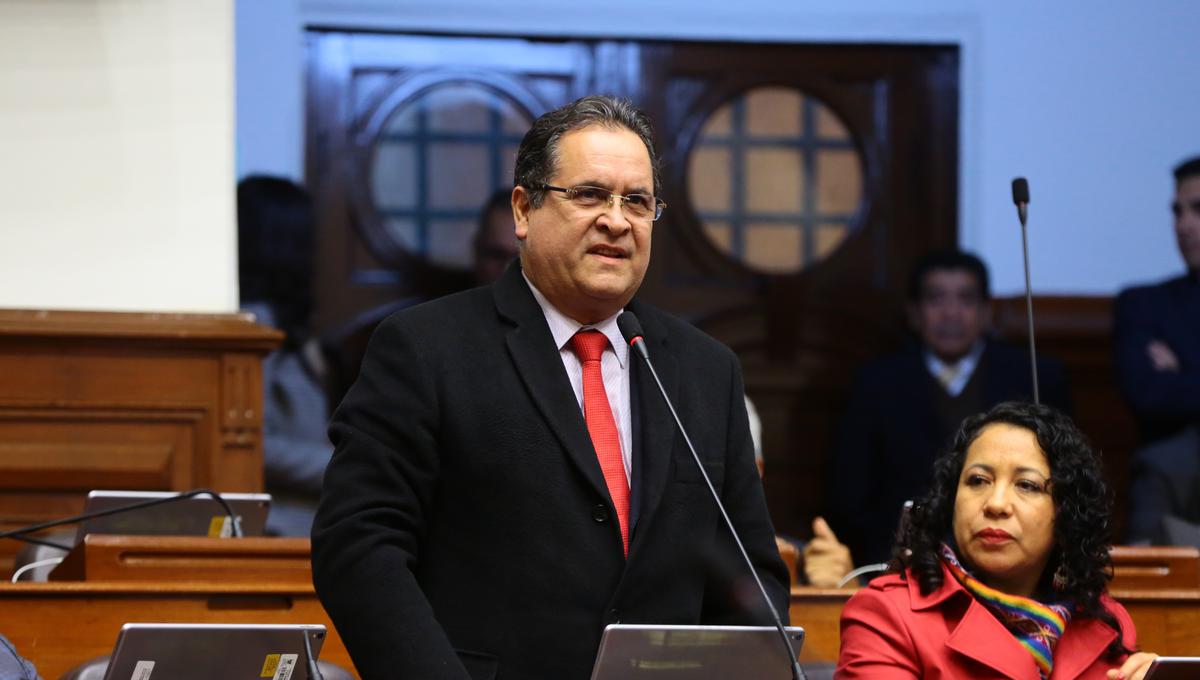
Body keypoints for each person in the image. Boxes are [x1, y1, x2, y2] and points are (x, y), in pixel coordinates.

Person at [311, 95, 789, 680]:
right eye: (589, 194)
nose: (617, 219)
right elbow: (359, 547)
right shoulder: (426, 347)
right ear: (523, 209)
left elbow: (749, 574)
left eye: (637, 201)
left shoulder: (705, 370)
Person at [837, 401, 1159, 679]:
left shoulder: (1105, 620)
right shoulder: (886, 614)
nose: (996, 503)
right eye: (978, 481)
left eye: (1027, 485)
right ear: (952, 499)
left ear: (1067, 511)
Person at [828, 250, 1071, 566]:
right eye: (936, 300)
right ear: (914, 313)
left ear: (986, 311)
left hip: (1011, 559)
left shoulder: (1035, 376)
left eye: (966, 300)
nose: (951, 314)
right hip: (899, 561)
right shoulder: (876, 383)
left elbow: (1065, 479)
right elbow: (850, 496)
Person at [238, 176, 332, 537]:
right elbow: (251, 443)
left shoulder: (285, 322)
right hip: (280, 526)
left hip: (300, 520)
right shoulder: (256, 322)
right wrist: (349, 465)